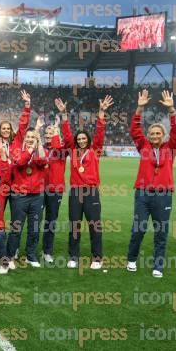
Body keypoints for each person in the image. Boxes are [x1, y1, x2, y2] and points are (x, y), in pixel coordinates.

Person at [126, 90, 176, 278]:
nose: (155, 135)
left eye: (158, 133)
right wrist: (140, 108)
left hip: (163, 194)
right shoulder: (144, 146)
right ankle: (132, 259)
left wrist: (172, 110)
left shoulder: (170, 148)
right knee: (139, 228)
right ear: (148, 135)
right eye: (152, 133)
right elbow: (134, 130)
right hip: (142, 194)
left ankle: (158, 266)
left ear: (163, 134)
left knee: (161, 232)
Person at [56, 95, 114, 270]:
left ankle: (97, 258)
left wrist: (102, 112)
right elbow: (66, 133)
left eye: (83, 139)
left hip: (91, 192)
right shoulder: (72, 151)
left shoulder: (94, 150)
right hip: (75, 192)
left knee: (94, 226)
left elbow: (100, 133)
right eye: (79, 139)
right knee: (75, 225)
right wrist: (64, 114)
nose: (81, 141)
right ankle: (73, 257)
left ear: (87, 140)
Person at [7, 124, 48, 269]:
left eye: (33, 137)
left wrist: (40, 144)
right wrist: (30, 149)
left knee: (34, 228)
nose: (30, 139)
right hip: (20, 195)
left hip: (37, 196)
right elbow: (20, 162)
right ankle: (10, 256)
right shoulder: (17, 150)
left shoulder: (40, 151)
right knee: (16, 228)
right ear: (24, 138)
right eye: (28, 137)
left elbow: (43, 161)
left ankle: (31, 255)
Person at [0, 90, 32, 210]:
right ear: (0, 129)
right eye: (3, 128)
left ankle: (14, 229)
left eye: (8, 128)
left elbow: (23, 125)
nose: (6, 130)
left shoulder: (17, 141)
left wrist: (27, 105)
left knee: (17, 211)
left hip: (16, 180)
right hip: (0, 180)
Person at [39, 116, 68, 263]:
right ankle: (30, 250)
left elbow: (57, 147)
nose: (49, 135)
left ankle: (47, 251)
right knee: (35, 220)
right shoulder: (40, 148)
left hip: (54, 190)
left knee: (51, 221)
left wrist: (57, 128)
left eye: (52, 133)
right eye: (48, 133)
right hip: (38, 189)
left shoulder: (62, 150)